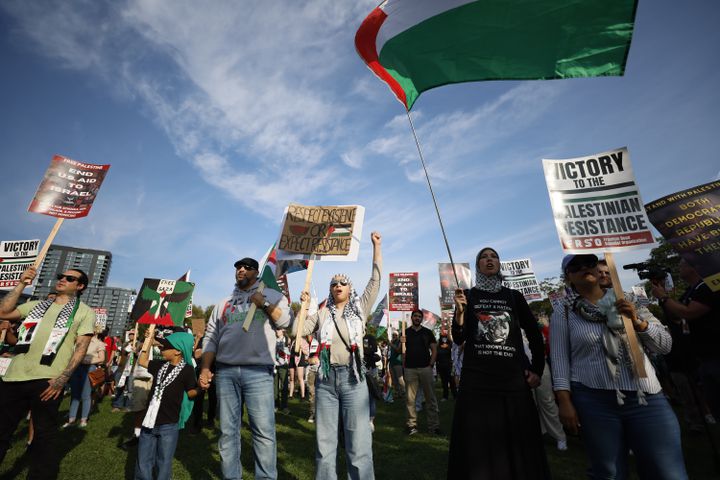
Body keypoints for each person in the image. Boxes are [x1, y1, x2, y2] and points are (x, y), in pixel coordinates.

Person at [552, 254, 687, 479]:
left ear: (600, 269)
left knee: (667, 472)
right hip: (594, 401)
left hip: (646, 398)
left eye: (590, 263)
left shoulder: (629, 301)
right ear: (568, 277)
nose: (584, 268)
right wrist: (564, 402)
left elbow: (665, 346)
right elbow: (559, 361)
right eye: (575, 266)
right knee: (610, 473)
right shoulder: (563, 312)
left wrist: (637, 321)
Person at [449, 248, 549, 479]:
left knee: (517, 445)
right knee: (477, 447)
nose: (489, 259)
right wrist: (460, 313)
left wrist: (537, 370)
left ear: (499, 264)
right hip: (477, 383)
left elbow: (534, 334)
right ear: (478, 265)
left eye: (493, 256)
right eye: (484, 257)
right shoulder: (467, 295)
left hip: (512, 383)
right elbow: (458, 337)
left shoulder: (513, 297)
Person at [297, 231, 382, 480]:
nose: (337, 286)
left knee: (359, 444)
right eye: (333, 283)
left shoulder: (360, 307)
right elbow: (297, 329)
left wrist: (376, 246)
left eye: (342, 283)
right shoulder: (322, 313)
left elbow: (375, 281)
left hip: (353, 380)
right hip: (325, 381)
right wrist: (302, 308)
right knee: (325, 446)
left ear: (349, 287)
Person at [199, 256, 292, 480]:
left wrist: (265, 305)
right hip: (226, 372)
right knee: (227, 432)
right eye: (238, 267)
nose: (241, 270)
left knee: (263, 432)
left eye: (247, 267)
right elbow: (211, 338)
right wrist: (204, 368)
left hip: (258, 372)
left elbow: (286, 323)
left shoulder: (273, 295)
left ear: (256, 272)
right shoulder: (223, 303)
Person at [0, 267, 96, 479]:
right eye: (60, 276)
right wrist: (22, 283)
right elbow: (3, 312)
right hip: (14, 376)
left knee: (44, 437)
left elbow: (81, 347)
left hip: (48, 381)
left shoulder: (84, 312)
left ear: (80, 286)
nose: (62, 280)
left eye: (69, 278)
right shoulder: (36, 305)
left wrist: (62, 379)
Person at [651, 258, 720, 419]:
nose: (678, 268)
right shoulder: (691, 291)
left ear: (694, 267)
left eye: (682, 264)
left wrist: (663, 298)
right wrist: (662, 294)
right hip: (703, 357)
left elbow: (689, 313)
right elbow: (676, 316)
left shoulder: (707, 287)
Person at [134, 328, 201, 480]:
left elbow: (190, 393)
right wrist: (148, 340)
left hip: (169, 425)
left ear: (178, 351)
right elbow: (143, 361)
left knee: (164, 461)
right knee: (143, 459)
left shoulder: (187, 370)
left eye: (166, 346)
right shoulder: (159, 365)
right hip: (149, 422)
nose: (161, 348)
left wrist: (201, 389)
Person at [402, 309, 440, 435]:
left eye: (419, 316)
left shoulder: (427, 332)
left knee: (430, 398)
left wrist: (431, 364)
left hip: (425, 368)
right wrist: (401, 342)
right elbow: (400, 351)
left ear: (422, 319)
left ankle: (433, 426)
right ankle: (411, 425)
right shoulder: (405, 333)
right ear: (411, 318)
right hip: (410, 369)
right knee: (410, 399)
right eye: (415, 316)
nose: (417, 318)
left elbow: (434, 349)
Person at [63, 330, 106, 428]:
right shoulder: (78, 341)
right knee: (74, 394)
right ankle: (71, 419)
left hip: (89, 368)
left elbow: (102, 359)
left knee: (86, 394)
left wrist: (89, 360)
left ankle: (83, 419)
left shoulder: (98, 343)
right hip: (76, 367)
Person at [436, 329, 456, 401]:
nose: (444, 338)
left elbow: (453, 352)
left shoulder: (450, 344)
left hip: (449, 365)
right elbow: (436, 355)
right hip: (441, 365)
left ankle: (455, 396)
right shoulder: (438, 345)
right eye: (442, 336)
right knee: (444, 382)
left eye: (445, 336)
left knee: (451, 381)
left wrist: (448, 347)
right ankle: (445, 396)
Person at [274, 328, 291, 415]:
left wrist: (281, 347)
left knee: (284, 387)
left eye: (278, 330)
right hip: (275, 365)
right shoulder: (273, 339)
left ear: (282, 331)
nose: (277, 331)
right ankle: (276, 405)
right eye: (276, 330)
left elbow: (288, 352)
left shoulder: (286, 339)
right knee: (275, 387)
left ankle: (284, 407)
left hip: (283, 365)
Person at [388, 332, 405, 400]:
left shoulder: (399, 341)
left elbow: (398, 350)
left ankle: (404, 392)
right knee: (394, 380)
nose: (394, 336)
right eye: (393, 335)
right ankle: (398, 393)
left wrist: (391, 344)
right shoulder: (392, 341)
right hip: (392, 362)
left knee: (400, 379)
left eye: (395, 335)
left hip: (398, 362)